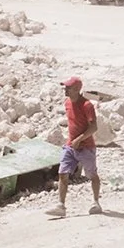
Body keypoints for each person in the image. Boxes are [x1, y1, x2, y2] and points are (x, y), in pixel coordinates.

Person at [51, 75, 101, 218]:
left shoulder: (87, 106)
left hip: (86, 147)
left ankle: (96, 202)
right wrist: (73, 141)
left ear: (77, 89)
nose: (65, 90)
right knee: (62, 173)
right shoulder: (67, 103)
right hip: (70, 145)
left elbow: (94, 127)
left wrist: (79, 139)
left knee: (92, 175)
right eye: (65, 87)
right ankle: (61, 205)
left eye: (68, 87)